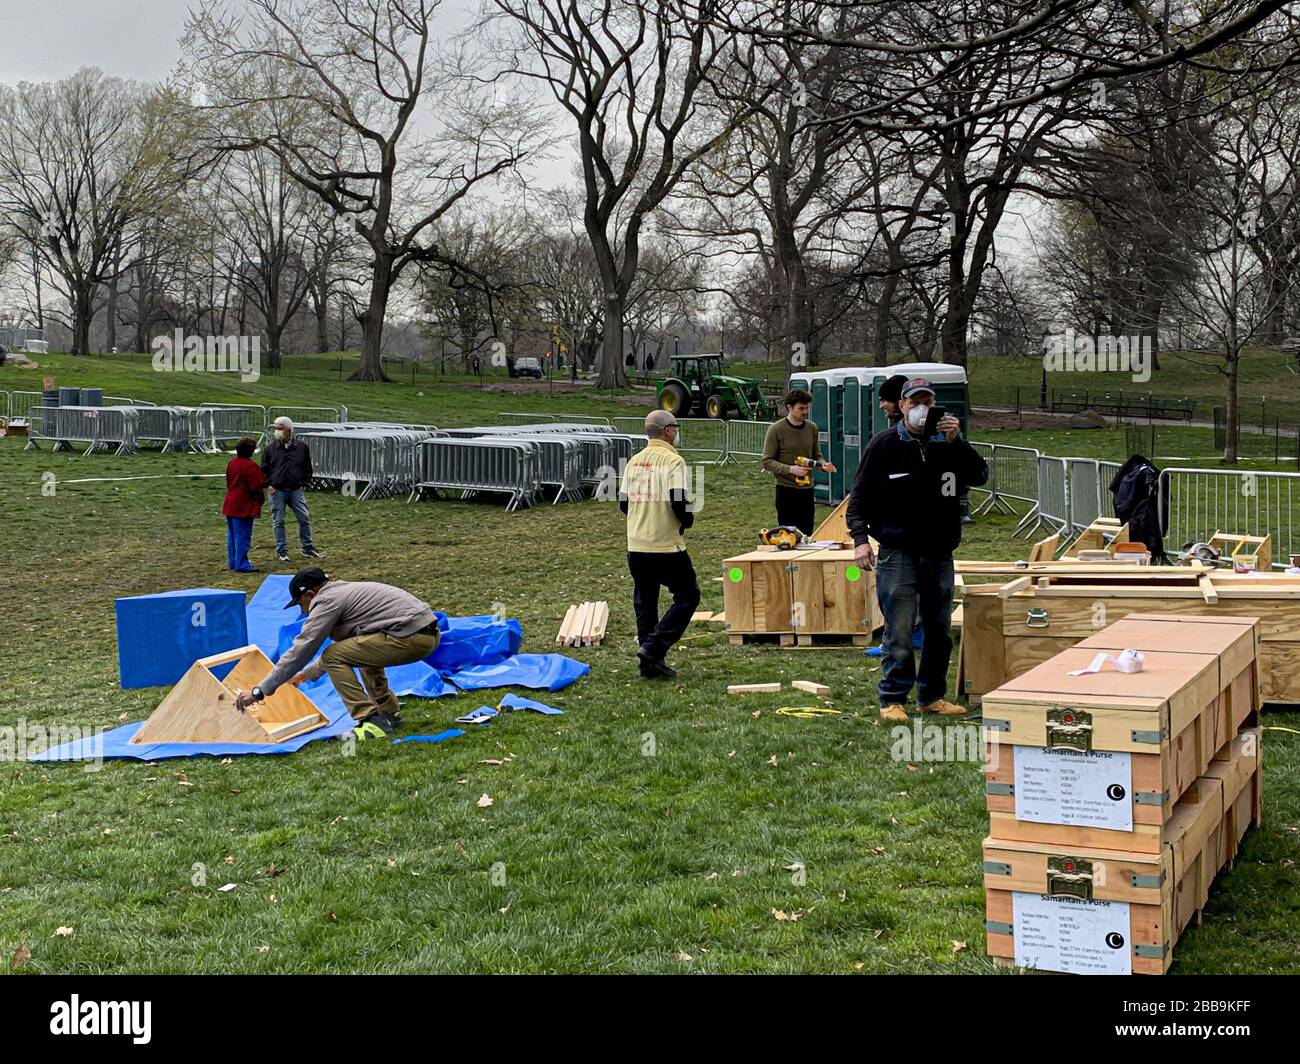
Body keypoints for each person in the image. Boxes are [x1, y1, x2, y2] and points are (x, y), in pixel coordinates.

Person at [846, 378, 988, 723]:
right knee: (899, 627)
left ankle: (931, 696)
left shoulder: (948, 446)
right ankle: (893, 697)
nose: (921, 407)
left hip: (939, 551)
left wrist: (957, 442)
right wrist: (860, 540)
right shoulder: (884, 446)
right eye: (914, 402)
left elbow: (980, 475)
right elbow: (859, 498)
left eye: (928, 401)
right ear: (903, 406)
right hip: (898, 552)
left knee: (938, 629)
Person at [234, 569, 441, 738]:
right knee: (359, 652)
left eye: (301, 604)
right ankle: (388, 714)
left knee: (335, 653)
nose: (304, 611)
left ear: (310, 595)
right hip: (427, 634)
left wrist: (259, 691)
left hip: (409, 637)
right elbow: (352, 648)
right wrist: (305, 675)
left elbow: (303, 647)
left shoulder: (326, 601)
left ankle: (370, 719)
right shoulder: (344, 592)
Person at [619, 410, 701, 679]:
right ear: (668, 431)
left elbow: (623, 503)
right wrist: (686, 520)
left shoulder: (634, 461)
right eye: (675, 427)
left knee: (645, 602)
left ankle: (649, 666)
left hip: (637, 543)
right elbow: (678, 500)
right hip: (665, 545)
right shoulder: (673, 461)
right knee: (688, 595)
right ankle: (654, 647)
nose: (677, 432)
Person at [761, 388, 837, 537]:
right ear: (789, 407)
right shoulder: (776, 429)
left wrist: (823, 465)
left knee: (806, 535)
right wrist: (790, 469)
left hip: (807, 491)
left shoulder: (812, 428)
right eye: (801, 408)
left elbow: (817, 455)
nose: (805, 412)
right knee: (788, 535)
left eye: (806, 408)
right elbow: (767, 461)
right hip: (786, 491)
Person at [262, 417, 323, 564]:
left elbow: (307, 467)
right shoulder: (270, 448)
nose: (277, 431)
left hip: (296, 489)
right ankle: (281, 550)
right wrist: (268, 484)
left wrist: (304, 483)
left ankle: (307, 548)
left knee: (304, 518)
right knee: (279, 521)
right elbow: (264, 469)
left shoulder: (301, 447)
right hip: (277, 490)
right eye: (275, 428)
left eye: (280, 428)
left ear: (289, 430)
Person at [222, 436, 265, 573]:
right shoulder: (250, 466)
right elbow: (255, 485)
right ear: (251, 451)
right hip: (243, 504)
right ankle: (242, 563)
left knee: (232, 534)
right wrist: (260, 498)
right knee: (243, 535)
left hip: (230, 502)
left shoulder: (232, 463)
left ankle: (233, 561)